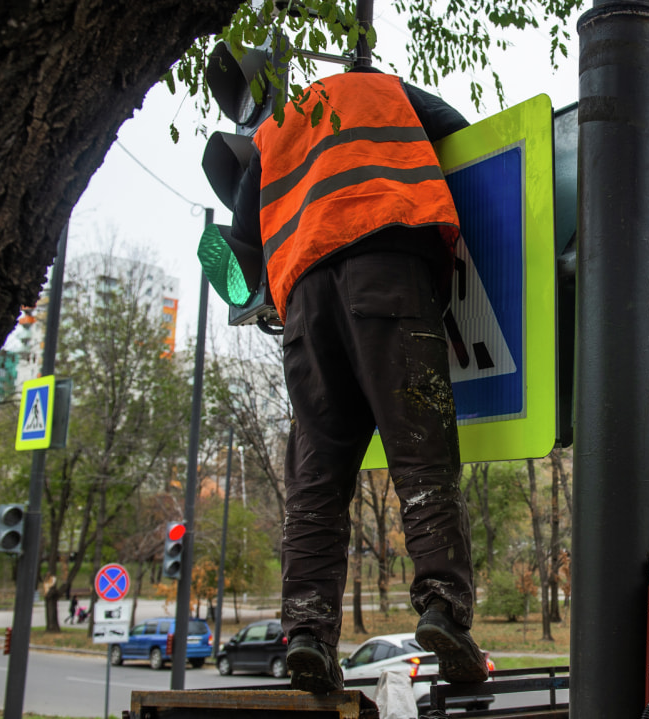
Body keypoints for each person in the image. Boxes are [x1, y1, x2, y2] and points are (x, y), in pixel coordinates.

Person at [230, 65, 484, 694]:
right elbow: (464, 138)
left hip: (304, 306)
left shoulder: (272, 132)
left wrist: (266, 291)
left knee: (317, 477)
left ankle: (309, 634)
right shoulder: (381, 90)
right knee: (421, 451)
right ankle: (442, 609)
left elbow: (239, 246)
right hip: (385, 267)